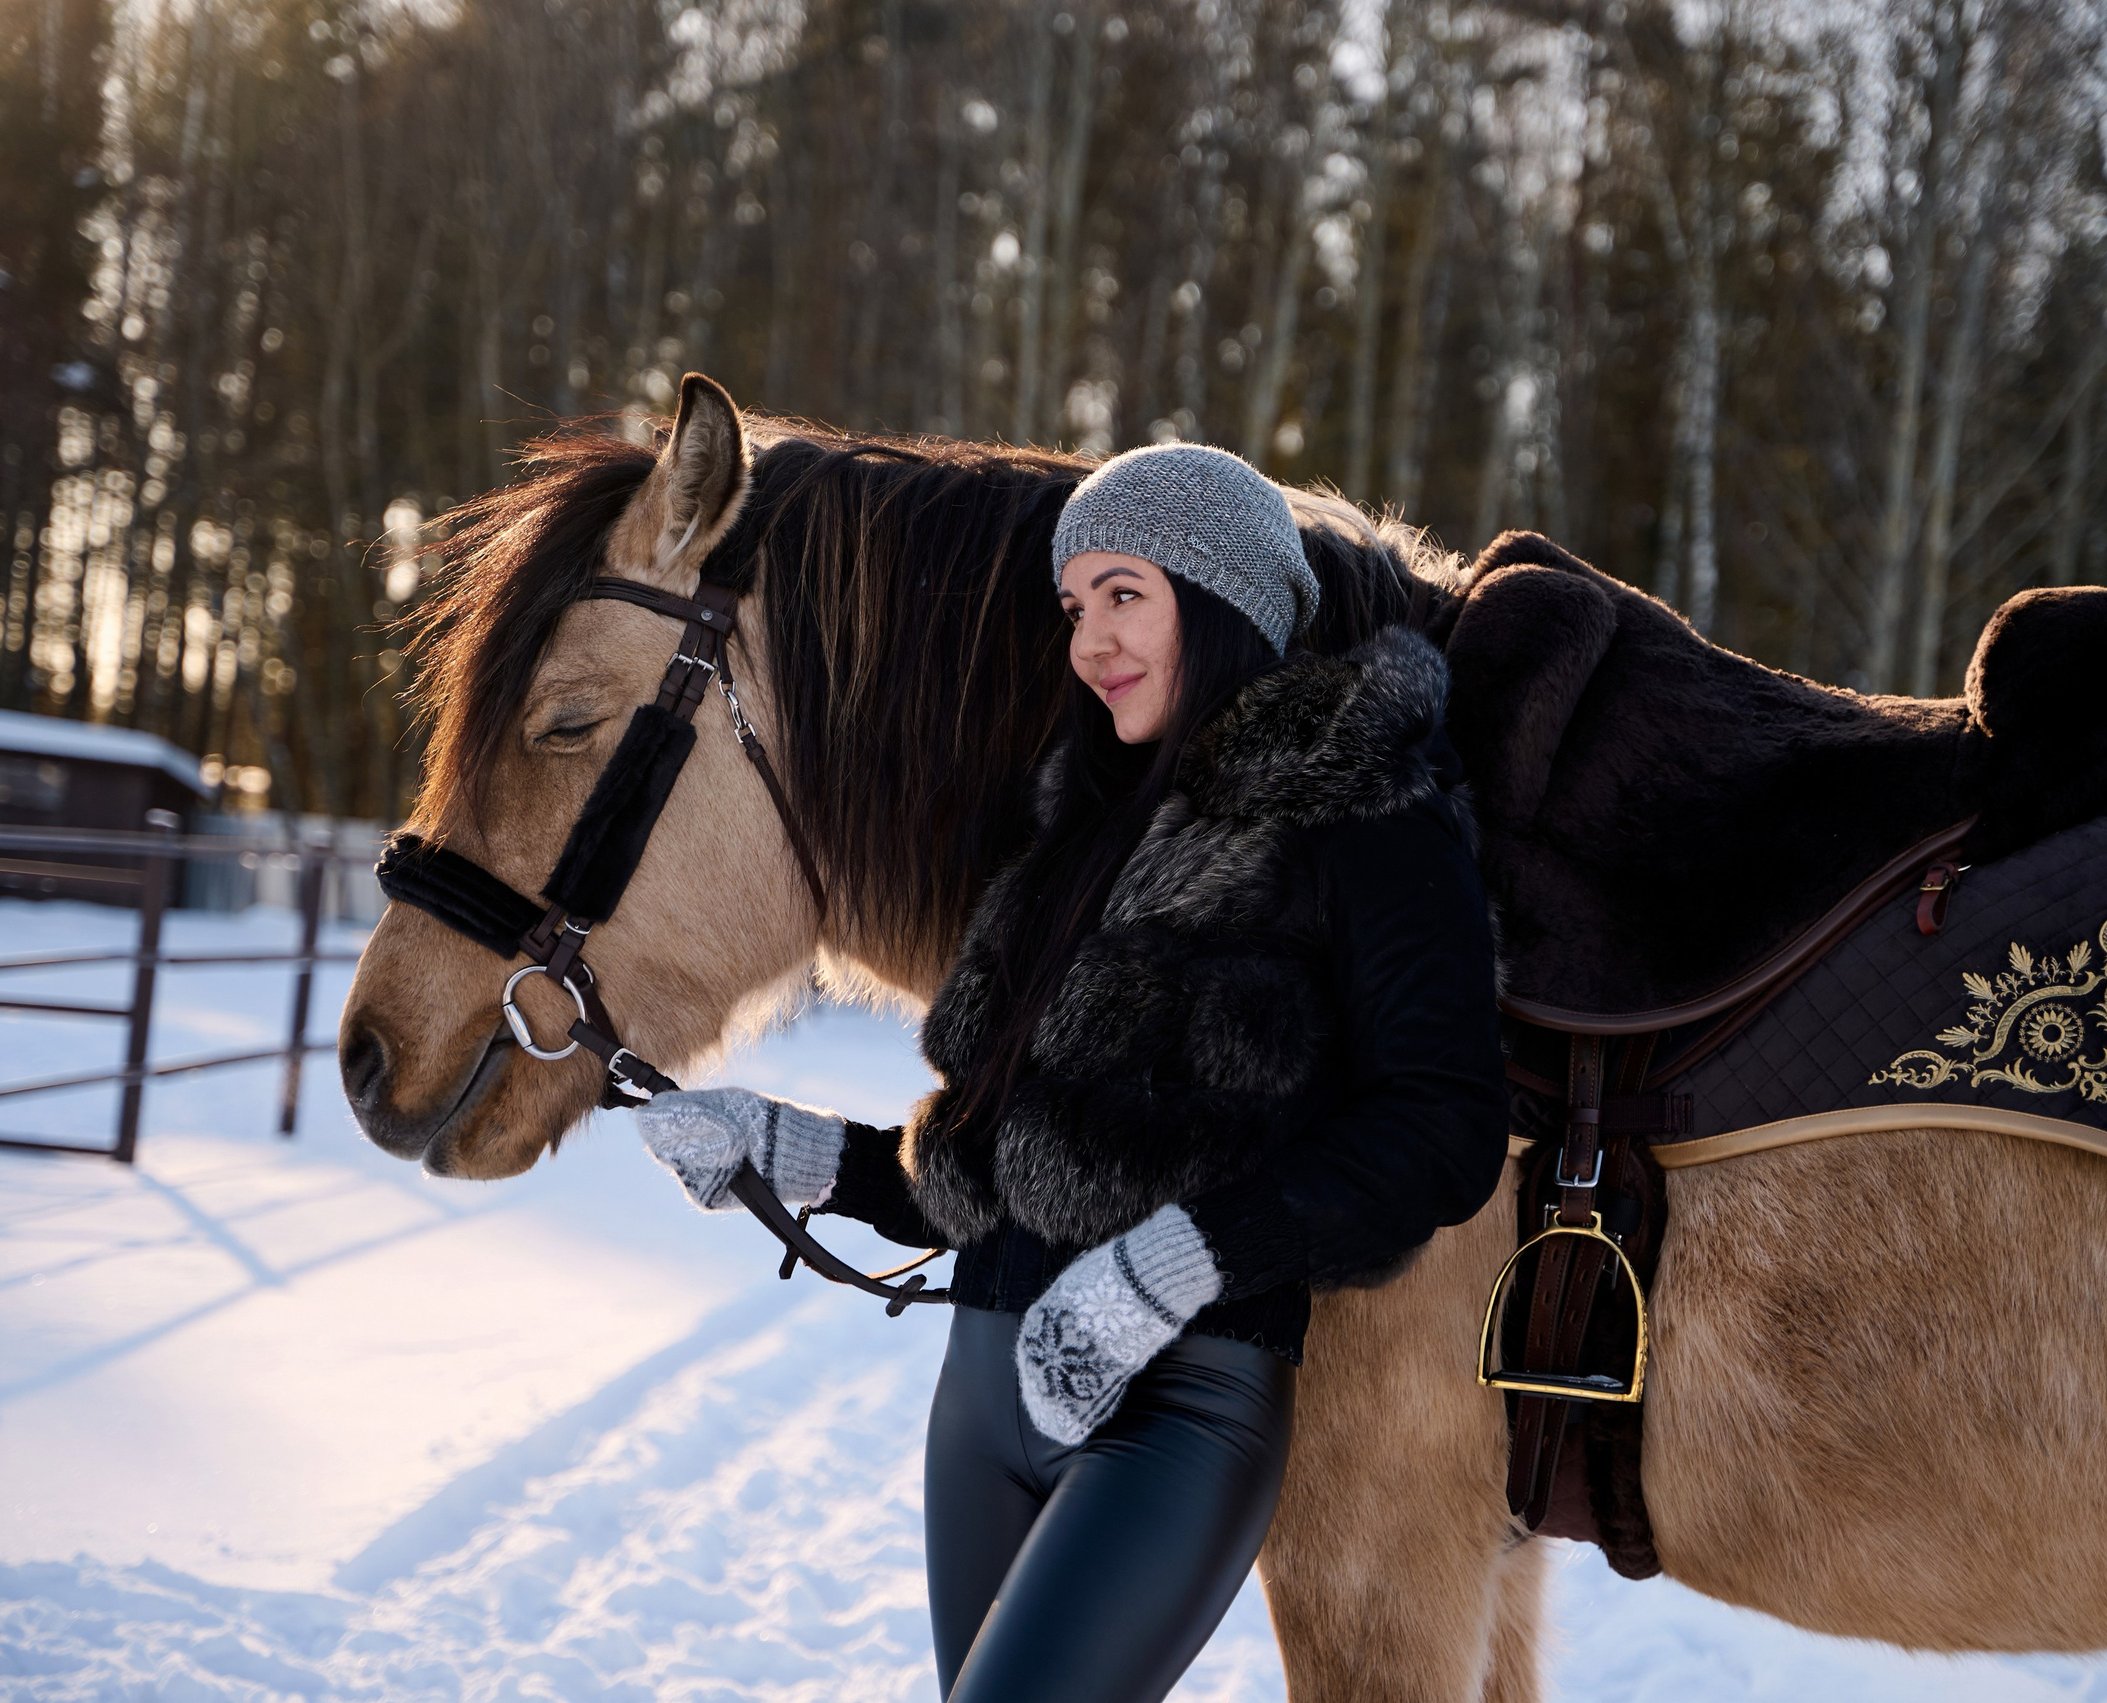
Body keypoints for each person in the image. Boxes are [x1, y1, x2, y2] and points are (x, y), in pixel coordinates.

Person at [635, 442, 1508, 1702]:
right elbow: (1001, 1162)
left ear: (1220, 599)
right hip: (982, 1406)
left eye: (1124, 595)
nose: (1089, 638)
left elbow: (1441, 1125)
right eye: (1073, 605)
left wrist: (1176, 1265)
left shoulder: (1368, 814)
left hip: (1183, 1406)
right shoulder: (1071, 829)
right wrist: (798, 1151)